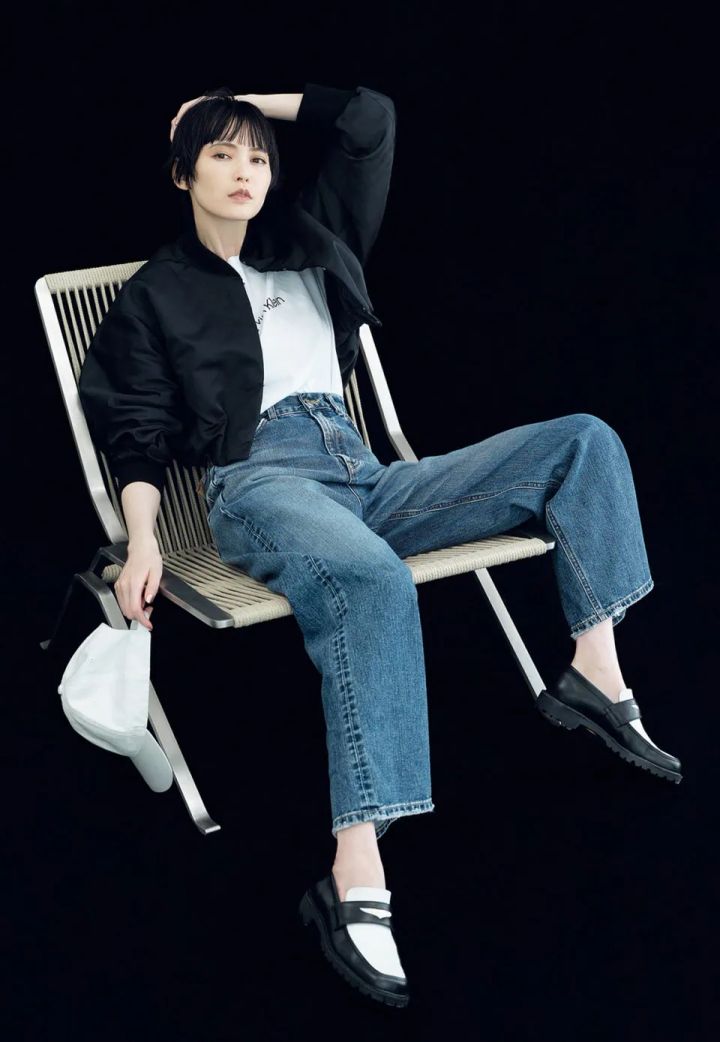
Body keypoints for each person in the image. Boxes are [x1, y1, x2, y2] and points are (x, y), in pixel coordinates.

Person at [78, 83, 682, 1008]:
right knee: (372, 578)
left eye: (257, 156)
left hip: (365, 471)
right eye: (221, 154)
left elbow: (369, 120)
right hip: (260, 482)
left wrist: (237, 103)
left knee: (583, 442)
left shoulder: (313, 235)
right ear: (181, 175)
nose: (245, 172)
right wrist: (146, 538)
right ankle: (355, 871)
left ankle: (594, 672)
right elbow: (134, 431)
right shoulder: (158, 293)